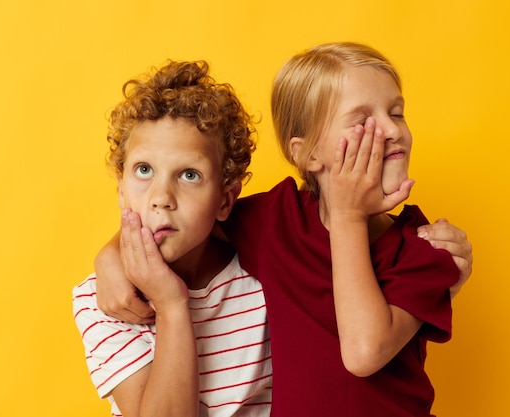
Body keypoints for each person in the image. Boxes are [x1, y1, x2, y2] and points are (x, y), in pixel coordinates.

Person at [95, 42, 474, 417]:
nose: (391, 129)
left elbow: (363, 352)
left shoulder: (425, 249)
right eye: (363, 121)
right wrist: (110, 258)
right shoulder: (279, 220)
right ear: (308, 154)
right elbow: (191, 215)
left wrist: (347, 217)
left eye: (398, 113)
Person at [72, 60, 272, 417]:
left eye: (190, 175)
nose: (161, 196)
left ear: (225, 199)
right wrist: (171, 304)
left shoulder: (265, 274)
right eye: (144, 170)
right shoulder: (105, 301)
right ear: (121, 189)